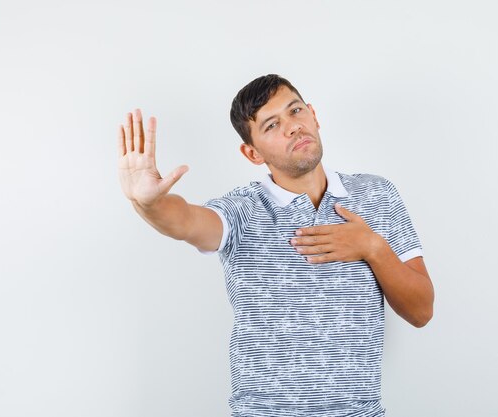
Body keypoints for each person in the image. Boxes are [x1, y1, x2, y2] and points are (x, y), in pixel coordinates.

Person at [117, 74, 434, 417]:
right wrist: (151, 204)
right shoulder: (242, 210)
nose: (292, 127)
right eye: (271, 125)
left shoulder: (377, 195)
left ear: (314, 115)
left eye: (296, 111)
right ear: (251, 153)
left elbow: (421, 312)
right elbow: (186, 221)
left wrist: (373, 247)